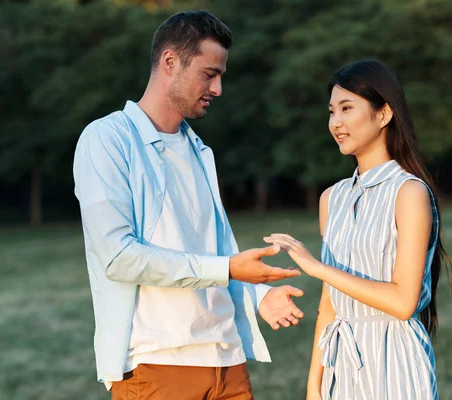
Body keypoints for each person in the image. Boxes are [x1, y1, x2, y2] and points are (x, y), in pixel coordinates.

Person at [73, 10, 304, 400]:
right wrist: (228, 268)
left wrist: (260, 295)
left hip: (227, 362)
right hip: (156, 363)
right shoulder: (106, 139)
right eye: (209, 74)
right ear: (169, 61)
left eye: (220, 77)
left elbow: (216, 245)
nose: (217, 89)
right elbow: (118, 257)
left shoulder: (200, 150)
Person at [264, 59, 452, 399]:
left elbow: (403, 301)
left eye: (347, 108)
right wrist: (314, 385)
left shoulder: (409, 192)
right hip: (341, 366)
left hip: (396, 361)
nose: (336, 122)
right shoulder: (331, 199)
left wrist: (316, 267)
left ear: (384, 114)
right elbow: (330, 303)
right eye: (332, 111)